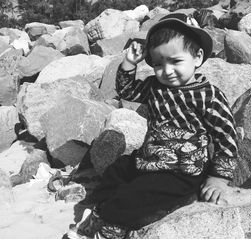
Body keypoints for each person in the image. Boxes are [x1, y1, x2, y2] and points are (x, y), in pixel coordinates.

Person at [67, 13, 238, 239]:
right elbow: (127, 91)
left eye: (176, 61)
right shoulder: (155, 86)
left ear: (197, 57)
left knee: (136, 194)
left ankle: (109, 225)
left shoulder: (209, 96)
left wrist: (218, 177)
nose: (166, 71)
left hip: (181, 171)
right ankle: (99, 206)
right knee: (117, 169)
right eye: (158, 64)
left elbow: (226, 136)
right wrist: (129, 64)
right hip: (147, 159)